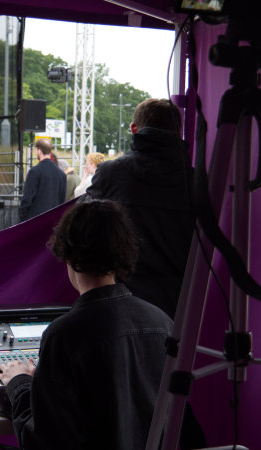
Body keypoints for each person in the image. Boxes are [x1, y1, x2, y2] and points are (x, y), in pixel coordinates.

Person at [0, 200, 204, 450]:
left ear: (68, 253)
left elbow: (41, 441)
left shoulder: (64, 336)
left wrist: (18, 383)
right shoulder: (163, 323)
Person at [86, 98, 194, 319]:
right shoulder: (199, 181)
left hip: (121, 301)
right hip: (182, 305)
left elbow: (80, 227)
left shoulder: (111, 174)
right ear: (178, 131)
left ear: (134, 129)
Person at [18, 138, 66, 221]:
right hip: (53, 221)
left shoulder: (34, 172)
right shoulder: (61, 174)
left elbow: (27, 198)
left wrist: (23, 218)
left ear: (39, 151)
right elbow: (62, 201)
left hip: (35, 222)